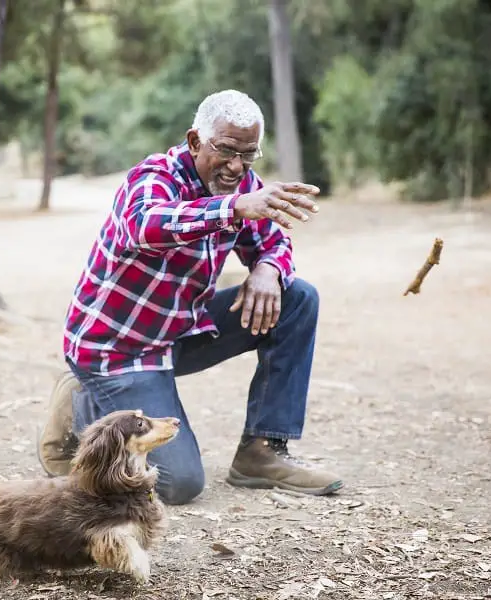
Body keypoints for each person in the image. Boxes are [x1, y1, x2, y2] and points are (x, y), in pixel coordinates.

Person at [36, 89, 344, 505]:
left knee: (297, 298)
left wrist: (268, 270)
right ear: (196, 141)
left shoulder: (241, 184)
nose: (236, 166)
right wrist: (232, 208)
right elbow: (147, 226)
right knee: (176, 484)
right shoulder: (153, 177)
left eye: (248, 154)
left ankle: (262, 452)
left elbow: (273, 240)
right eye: (226, 150)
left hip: (179, 331)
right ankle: (81, 402)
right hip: (118, 351)